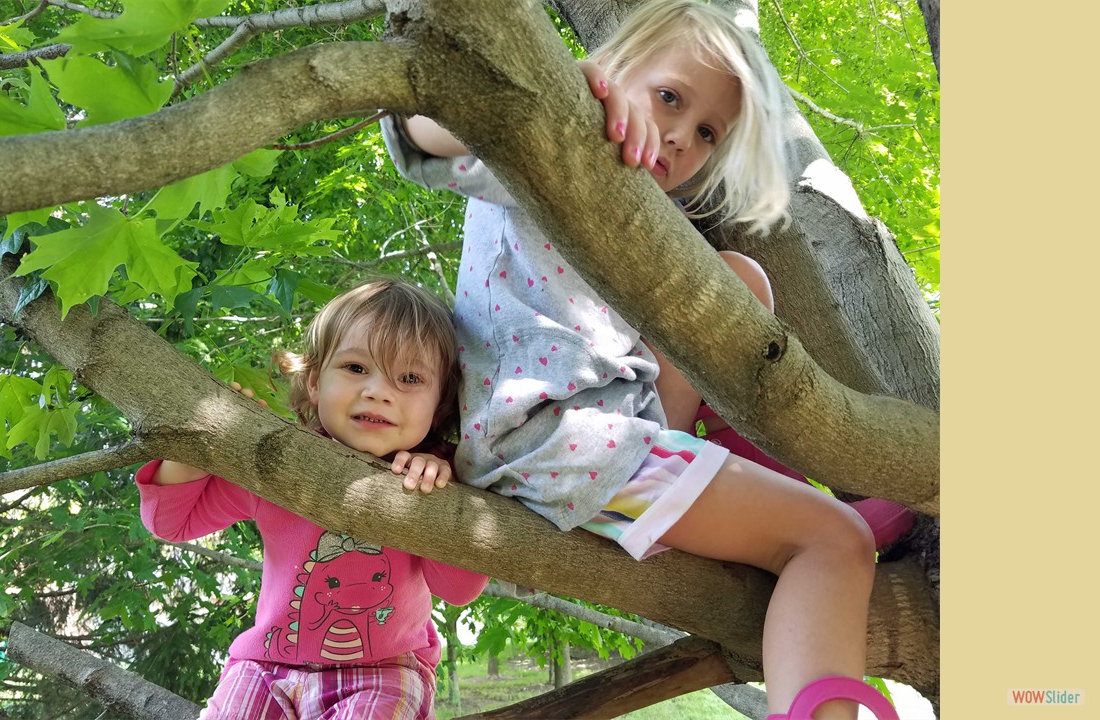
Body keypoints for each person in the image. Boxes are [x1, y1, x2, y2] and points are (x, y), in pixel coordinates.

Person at [381, 2, 900, 718]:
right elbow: (423, 123)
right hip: (556, 438)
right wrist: (561, 88)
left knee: (740, 281)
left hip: (595, 426)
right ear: (618, 71)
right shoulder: (556, 142)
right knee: (833, 543)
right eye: (670, 98)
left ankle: (753, 487)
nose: (682, 137)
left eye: (707, 132)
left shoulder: (653, 224)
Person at [135, 279, 489, 719]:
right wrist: (205, 440)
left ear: (439, 406)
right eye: (357, 368)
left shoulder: (432, 480)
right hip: (265, 667)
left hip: (385, 672)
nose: (378, 391)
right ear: (317, 382)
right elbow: (173, 522)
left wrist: (447, 497)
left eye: (410, 378)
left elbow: (458, 590)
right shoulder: (279, 463)